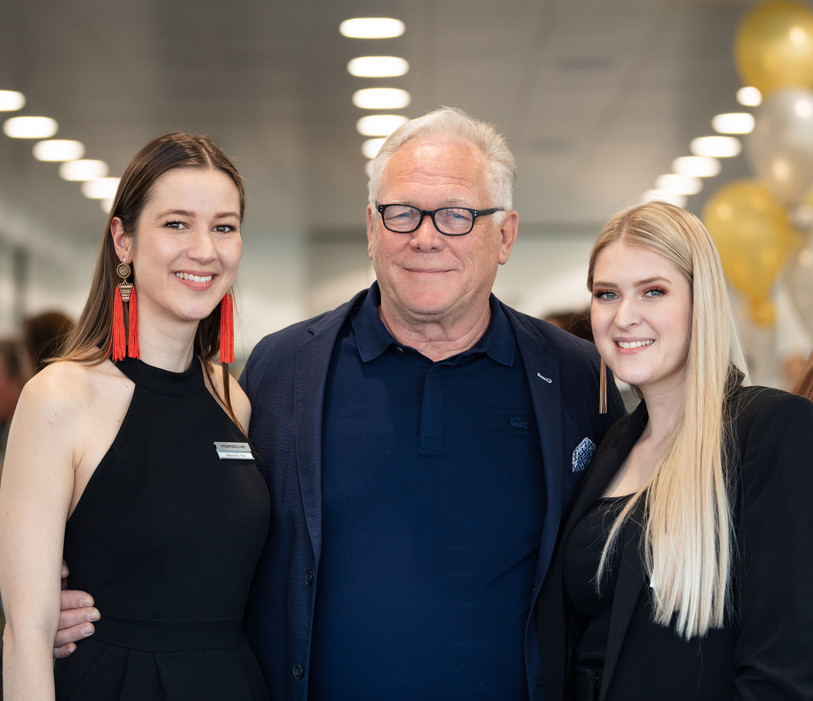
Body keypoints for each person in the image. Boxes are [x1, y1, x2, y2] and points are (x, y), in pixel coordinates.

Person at [54, 107, 625, 700]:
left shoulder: (579, 378)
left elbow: (626, 565)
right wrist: (74, 599)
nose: (425, 237)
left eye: (457, 215)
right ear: (371, 229)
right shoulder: (280, 372)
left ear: (504, 234)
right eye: (401, 213)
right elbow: (193, 518)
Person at [0, 133, 270, 699]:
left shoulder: (232, 399)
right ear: (123, 240)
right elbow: (26, 635)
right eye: (176, 224)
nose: (204, 249)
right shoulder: (59, 398)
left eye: (224, 226)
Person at [537, 201, 813, 700]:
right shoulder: (611, 446)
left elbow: (785, 664)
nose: (624, 317)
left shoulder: (768, 429)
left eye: (654, 292)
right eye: (607, 294)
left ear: (701, 300)